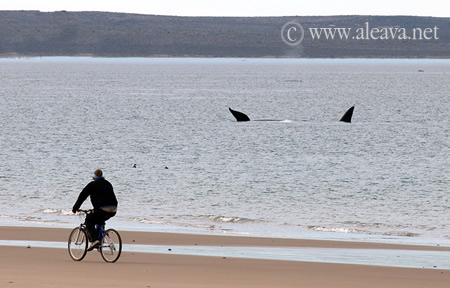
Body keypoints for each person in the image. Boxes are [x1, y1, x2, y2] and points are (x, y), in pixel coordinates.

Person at [72, 169, 118, 251]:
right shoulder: (108, 183)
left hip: (102, 209)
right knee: (99, 219)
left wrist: (75, 208)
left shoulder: (92, 185)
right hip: (113, 209)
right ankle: (100, 239)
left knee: (89, 220)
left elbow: (82, 196)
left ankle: (93, 241)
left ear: (94, 177)